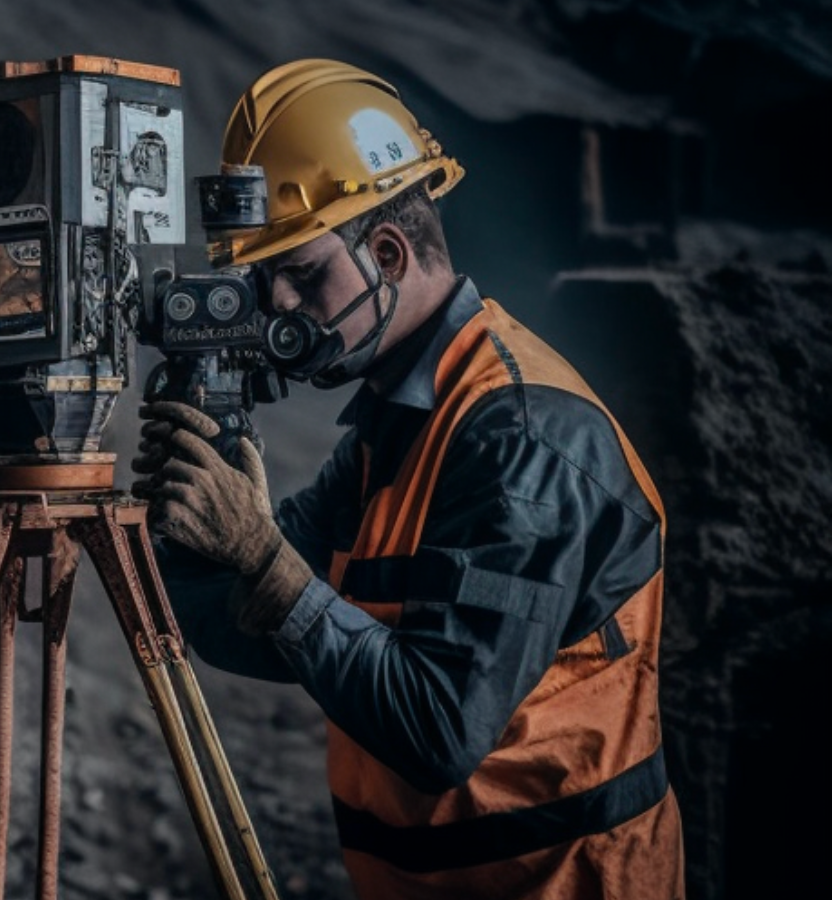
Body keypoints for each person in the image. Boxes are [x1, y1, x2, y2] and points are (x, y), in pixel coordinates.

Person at [132, 59, 685, 899]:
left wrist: (261, 554)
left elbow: (439, 730)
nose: (276, 305)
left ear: (387, 252)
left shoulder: (519, 440)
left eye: (303, 274)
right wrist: (178, 523)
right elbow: (254, 627)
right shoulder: (395, 423)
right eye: (264, 275)